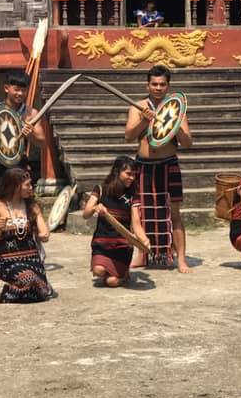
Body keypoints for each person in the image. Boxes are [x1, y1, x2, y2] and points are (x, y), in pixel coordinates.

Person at [125, 64, 193, 272]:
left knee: (174, 212)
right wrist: (144, 121)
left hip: (168, 163)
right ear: (148, 85)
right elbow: (129, 135)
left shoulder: (176, 109)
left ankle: (180, 258)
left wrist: (175, 126)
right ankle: (142, 255)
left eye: (162, 84)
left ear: (168, 86)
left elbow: (188, 142)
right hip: (143, 165)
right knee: (141, 213)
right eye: (154, 84)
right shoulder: (138, 107)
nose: (158, 87)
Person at [0, 70, 46, 215]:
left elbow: (43, 143)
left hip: (19, 164)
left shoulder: (31, 114)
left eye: (23, 90)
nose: (20, 94)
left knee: (22, 208)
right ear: (7, 88)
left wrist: (30, 133)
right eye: (16, 89)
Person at [0, 167, 53, 303]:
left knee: (45, 291)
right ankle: (9, 293)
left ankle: (16, 291)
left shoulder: (32, 206)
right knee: (30, 280)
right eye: (27, 185)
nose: (31, 188)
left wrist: (44, 234)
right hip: (8, 261)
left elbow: (44, 233)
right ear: (15, 186)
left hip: (32, 260)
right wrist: (0, 228)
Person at [82, 157, 149, 287]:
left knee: (112, 282)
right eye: (128, 174)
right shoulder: (100, 189)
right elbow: (86, 214)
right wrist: (96, 208)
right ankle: (113, 270)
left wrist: (144, 240)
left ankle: (123, 274)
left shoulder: (133, 194)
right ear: (117, 172)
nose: (132, 178)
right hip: (102, 242)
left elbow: (136, 224)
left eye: (134, 175)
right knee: (98, 270)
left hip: (122, 245)